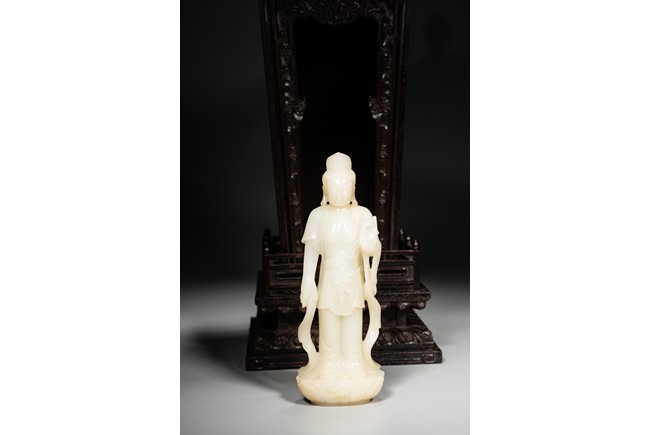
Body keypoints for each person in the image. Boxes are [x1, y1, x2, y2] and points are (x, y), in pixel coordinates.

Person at [296, 152, 384, 405]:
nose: (339, 191)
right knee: (329, 326)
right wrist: (307, 281)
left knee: (353, 325)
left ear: (353, 188)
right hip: (329, 280)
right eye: (334, 186)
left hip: (353, 280)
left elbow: (371, 250)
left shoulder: (362, 214)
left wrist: (370, 241)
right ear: (324, 188)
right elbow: (311, 253)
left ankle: (354, 365)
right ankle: (330, 367)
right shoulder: (318, 216)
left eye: (345, 185)